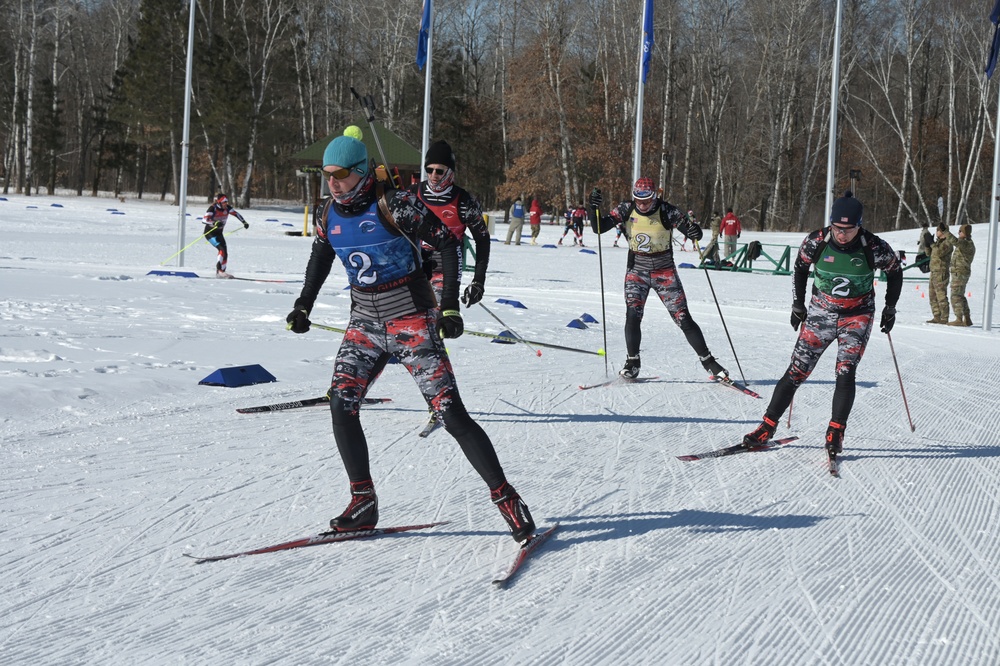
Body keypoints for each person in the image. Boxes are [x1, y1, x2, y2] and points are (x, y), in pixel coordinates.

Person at [284, 133, 535, 543]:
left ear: (361, 172)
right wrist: (303, 305)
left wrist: (449, 305)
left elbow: (450, 245)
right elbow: (322, 255)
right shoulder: (328, 211)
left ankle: (505, 497)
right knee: (341, 402)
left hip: (411, 318)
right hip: (364, 322)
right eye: (327, 175)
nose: (332, 182)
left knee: (450, 414)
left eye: (341, 175)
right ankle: (362, 501)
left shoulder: (396, 204)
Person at [741, 192, 902, 458]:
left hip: (857, 315)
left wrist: (890, 307)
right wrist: (798, 305)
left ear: (859, 226)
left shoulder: (873, 246)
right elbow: (800, 269)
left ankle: (836, 432)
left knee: (845, 371)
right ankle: (767, 426)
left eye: (848, 230)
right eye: (838, 228)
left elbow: (895, 272)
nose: (842, 235)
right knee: (797, 370)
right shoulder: (817, 241)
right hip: (821, 312)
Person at [588, 177, 730, 380]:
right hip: (637, 271)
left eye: (646, 201)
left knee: (683, 318)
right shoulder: (626, 209)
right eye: (638, 200)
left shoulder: (666, 210)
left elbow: (693, 232)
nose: (642, 205)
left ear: (654, 197)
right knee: (632, 315)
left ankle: (709, 361)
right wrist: (592, 208)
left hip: (664, 272)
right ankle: (632, 362)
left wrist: (693, 231)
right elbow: (598, 228)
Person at [410, 140, 490, 307]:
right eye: (429, 170)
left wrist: (478, 281)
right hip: (413, 264)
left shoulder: (465, 202)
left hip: (447, 266)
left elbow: (482, 240)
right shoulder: (412, 194)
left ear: (450, 171)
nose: (433, 175)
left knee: (436, 314)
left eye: (439, 171)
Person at [203, 193, 248, 277]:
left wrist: (244, 222)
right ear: (219, 202)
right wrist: (215, 222)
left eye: (226, 202)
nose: (226, 204)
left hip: (219, 233)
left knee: (225, 253)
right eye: (224, 202)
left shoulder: (227, 208)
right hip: (210, 233)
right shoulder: (213, 208)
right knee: (221, 249)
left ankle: (221, 272)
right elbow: (204, 220)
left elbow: (236, 214)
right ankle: (219, 269)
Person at [948, 224, 975, 326]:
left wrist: (946, 231)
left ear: (965, 233)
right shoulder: (966, 243)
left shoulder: (966, 244)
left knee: (955, 296)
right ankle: (967, 318)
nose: (959, 233)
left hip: (960, 273)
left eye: (960, 231)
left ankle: (959, 318)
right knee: (960, 295)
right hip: (960, 273)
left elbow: (955, 241)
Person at [927, 223, 954, 324]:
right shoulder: (938, 242)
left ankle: (944, 317)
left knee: (941, 295)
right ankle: (936, 316)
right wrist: (927, 245)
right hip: (934, 271)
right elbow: (930, 254)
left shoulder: (948, 243)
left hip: (941, 272)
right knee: (932, 295)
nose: (936, 232)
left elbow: (939, 253)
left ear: (942, 231)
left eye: (938, 230)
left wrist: (932, 244)